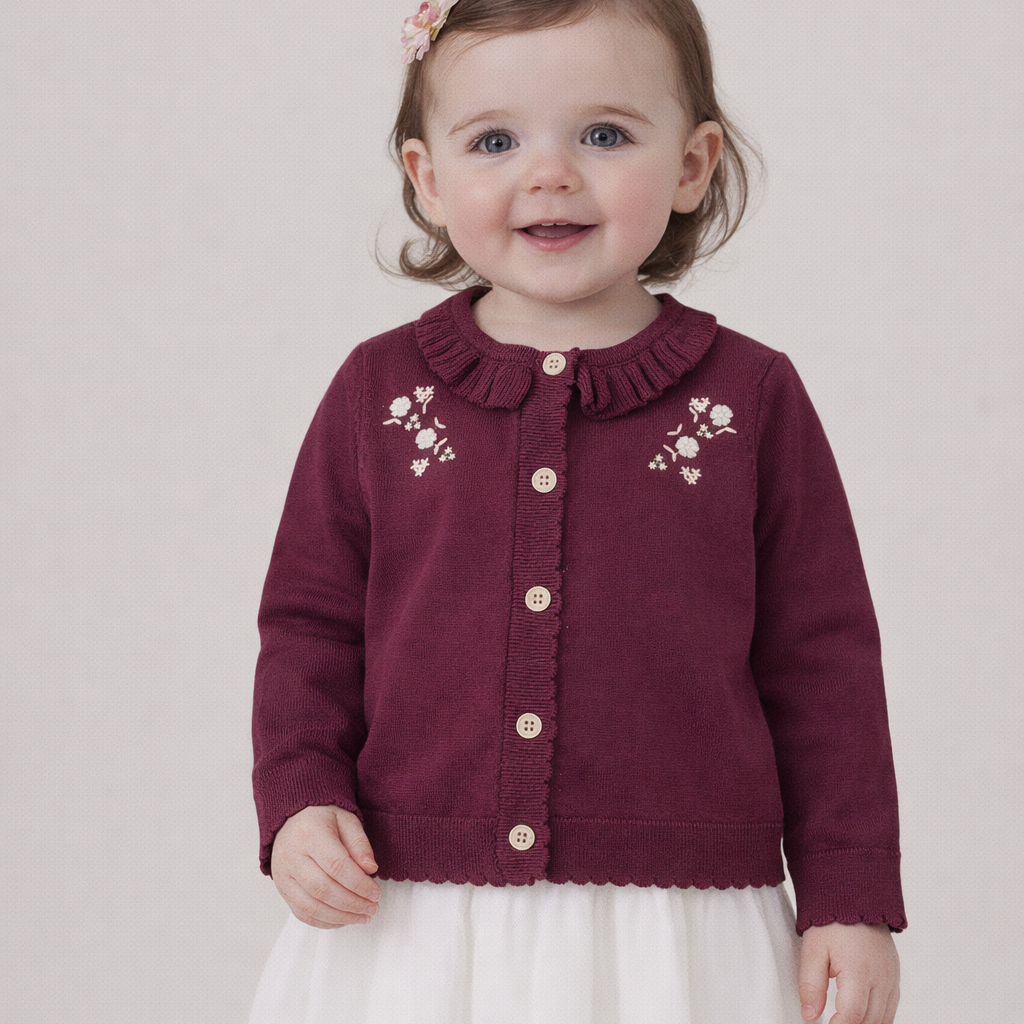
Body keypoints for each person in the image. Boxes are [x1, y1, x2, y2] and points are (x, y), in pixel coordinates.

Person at [249, 1, 906, 1021]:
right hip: (415, 914)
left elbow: (822, 663)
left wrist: (848, 893)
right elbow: (308, 628)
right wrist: (300, 801)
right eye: (494, 140)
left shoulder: (749, 399)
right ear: (427, 178)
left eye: (603, 135)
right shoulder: (378, 395)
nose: (548, 173)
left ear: (692, 165)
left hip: (680, 931)